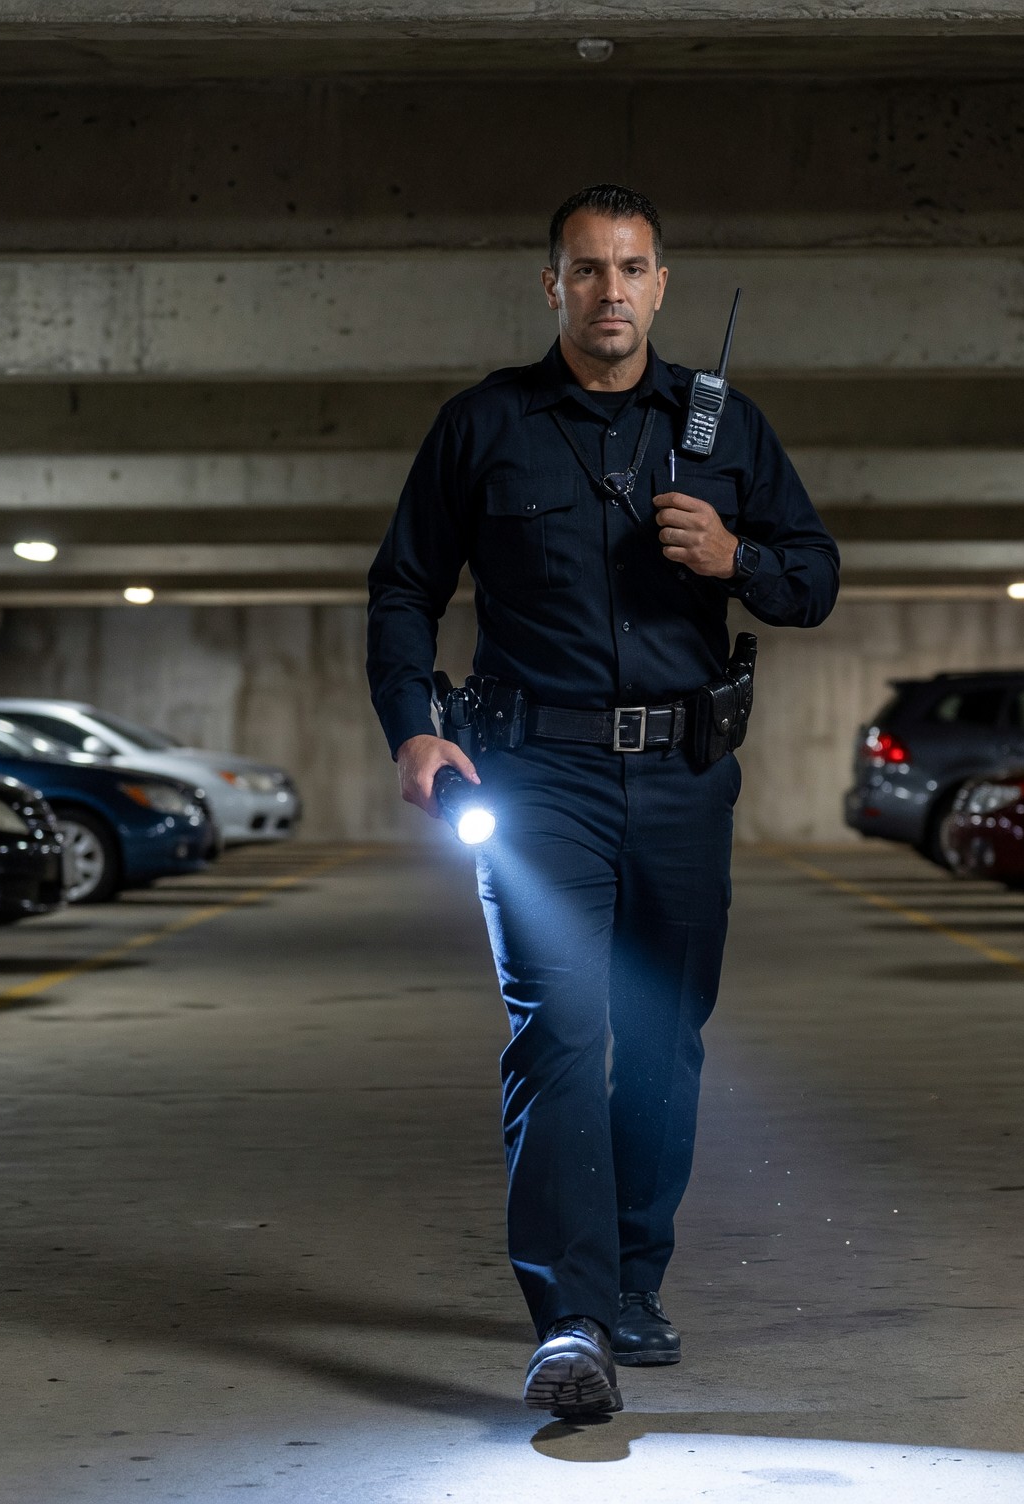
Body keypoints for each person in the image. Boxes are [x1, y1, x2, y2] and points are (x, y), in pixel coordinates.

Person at [365, 184, 840, 1416]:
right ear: (553, 286)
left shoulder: (724, 429)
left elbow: (815, 575)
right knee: (562, 1031)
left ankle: (633, 1280)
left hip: (683, 776)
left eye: (631, 269)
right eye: (586, 270)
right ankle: (569, 1318)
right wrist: (414, 729)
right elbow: (403, 588)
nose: (610, 291)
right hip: (540, 779)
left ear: (660, 285)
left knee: (665, 1041)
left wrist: (736, 559)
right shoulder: (485, 426)